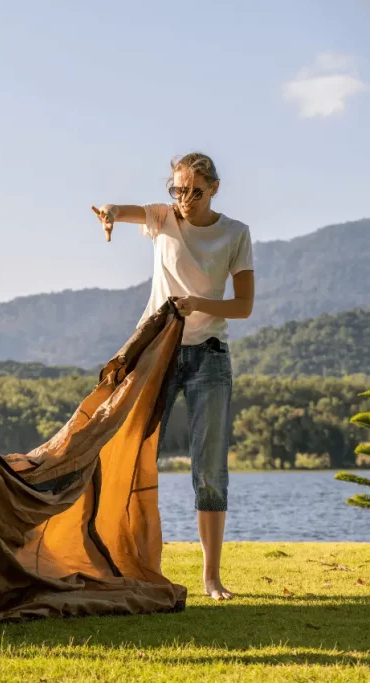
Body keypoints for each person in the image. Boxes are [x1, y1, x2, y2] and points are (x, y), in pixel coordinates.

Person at [91, 152, 254, 600]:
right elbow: (125, 211)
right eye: (177, 190)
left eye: (195, 192)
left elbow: (243, 307)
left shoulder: (235, 234)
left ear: (214, 189)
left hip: (210, 359)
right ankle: (121, 561)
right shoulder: (163, 219)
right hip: (158, 354)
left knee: (209, 471)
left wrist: (199, 304)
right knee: (133, 454)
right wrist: (108, 213)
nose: (185, 200)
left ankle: (211, 578)